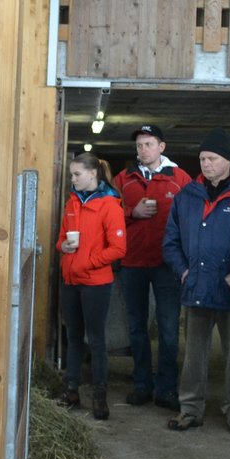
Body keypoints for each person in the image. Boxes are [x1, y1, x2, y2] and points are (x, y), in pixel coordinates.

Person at [163, 128, 230, 438]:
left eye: (212, 158)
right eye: (202, 159)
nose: (206, 164)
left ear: (228, 160)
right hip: (196, 287)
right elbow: (171, 240)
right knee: (193, 355)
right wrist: (183, 271)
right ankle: (190, 409)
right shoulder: (187, 196)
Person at [113, 125, 191, 410]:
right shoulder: (123, 179)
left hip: (166, 264)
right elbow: (109, 213)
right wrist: (131, 212)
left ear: (161, 147)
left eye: (148, 144)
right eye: (139, 145)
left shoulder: (180, 179)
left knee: (169, 328)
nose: (143, 150)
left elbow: (192, 216)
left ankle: (167, 388)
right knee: (136, 327)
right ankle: (142, 384)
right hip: (133, 261)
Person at [57, 152, 128, 420]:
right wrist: (63, 246)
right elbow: (61, 238)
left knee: (96, 339)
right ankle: (71, 390)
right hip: (71, 281)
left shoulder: (110, 205)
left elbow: (118, 248)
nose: (73, 179)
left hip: (96, 283)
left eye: (77, 174)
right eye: (71, 175)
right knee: (73, 338)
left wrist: (88, 262)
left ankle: (100, 394)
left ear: (92, 174)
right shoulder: (72, 203)